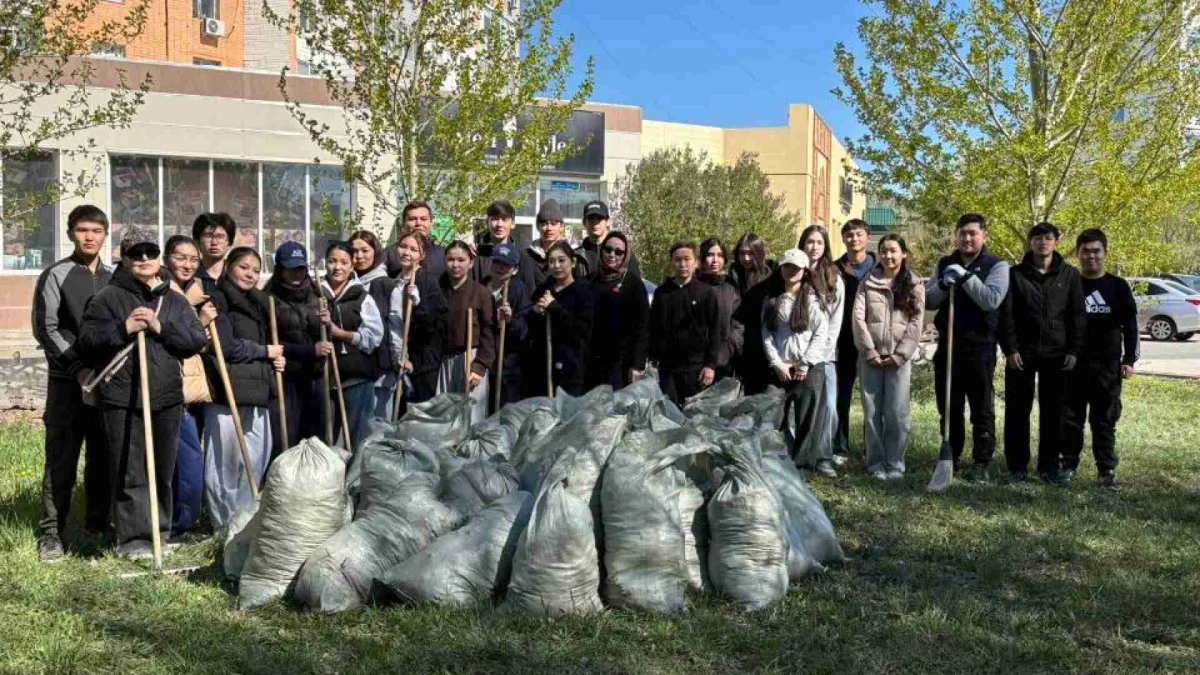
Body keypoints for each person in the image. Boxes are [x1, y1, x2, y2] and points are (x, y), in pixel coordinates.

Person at [77, 238, 208, 559]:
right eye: (136, 255)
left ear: (158, 258)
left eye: (151, 253)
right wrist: (124, 327)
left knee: (162, 470)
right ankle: (133, 540)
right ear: (124, 260)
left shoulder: (174, 301)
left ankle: (159, 533)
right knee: (130, 470)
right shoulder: (107, 297)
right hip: (122, 397)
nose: (145, 259)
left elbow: (195, 339)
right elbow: (88, 341)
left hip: (165, 397)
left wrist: (159, 325)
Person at [33, 204, 114, 562]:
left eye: (96, 231)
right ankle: (51, 533)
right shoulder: (56, 274)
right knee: (61, 459)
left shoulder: (115, 278)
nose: (90, 237)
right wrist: (78, 367)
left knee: (102, 457)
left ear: (105, 235)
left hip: (107, 384)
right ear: (70, 234)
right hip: (68, 383)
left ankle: (96, 528)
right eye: (83, 230)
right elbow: (47, 327)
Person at [924, 213, 1010, 482]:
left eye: (973, 233)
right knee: (949, 405)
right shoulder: (945, 263)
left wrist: (965, 278)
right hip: (949, 345)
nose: (967, 238)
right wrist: (942, 284)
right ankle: (951, 456)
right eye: (962, 233)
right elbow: (928, 300)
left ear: (984, 236)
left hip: (980, 346)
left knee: (981, 406)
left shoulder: (996, 265)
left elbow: (991, 300)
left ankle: (981, 460)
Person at [201, 247, 283, 527]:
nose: (250, 274)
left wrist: (275, 360)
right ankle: (223, 523)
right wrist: (264, 351)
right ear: (228, 268)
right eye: (244, 267)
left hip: (259, 391)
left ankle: (245, 519)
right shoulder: (218, 299)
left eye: (256, 269)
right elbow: (225, 346)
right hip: (228, 391)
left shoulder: (262, 303)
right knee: (225, 462)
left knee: (255, 459)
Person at [999, 222, 1086, 484]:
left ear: (1056, 242)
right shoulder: (1015, 275)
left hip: (1057, 355)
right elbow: (1006, 316)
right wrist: (1010, 349)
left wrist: (1074, 349)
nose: (1042, 242)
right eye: (1037, 238)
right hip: (1021, 355)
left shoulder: (1070, 275)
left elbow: (1077, 315)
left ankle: (1049, 468)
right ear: (1030, 242)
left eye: (1048, 238)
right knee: (1017, 412)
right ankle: (1017, 467)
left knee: (1053, 413)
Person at [1061, 229, 1139, 491]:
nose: (1091, 256)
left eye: (1096, 250)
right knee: (1070, 419)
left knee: (1104, 420)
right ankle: (1068, 466)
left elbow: (1131, 326)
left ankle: (1106, 471)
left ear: (1105, 252)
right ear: (1078, 254)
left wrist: (1129, 359)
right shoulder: (1069, 283)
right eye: (1085, 251)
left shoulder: (1117, 286)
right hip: (1073, 366)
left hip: (1107, 367)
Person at [852, 234, 925, 480]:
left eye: (893, 251)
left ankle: (895, 464)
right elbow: (858, 319)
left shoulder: (914, 284)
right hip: (870, 358)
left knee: (896, 413)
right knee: (872, 413)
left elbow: (916, 323)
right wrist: (869, 351)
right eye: (883, 251)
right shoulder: (867, 282)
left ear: (903, 254)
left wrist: (901, 354)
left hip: (898, 360)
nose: (888, 256)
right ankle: (876, 464)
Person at [162, 236, 217, 540]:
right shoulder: (160, 294)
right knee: (184, 462)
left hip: (196, 389)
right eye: (180, 258)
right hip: (171, 387)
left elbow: (205, 345)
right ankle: (177, 525)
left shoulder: (200, 293)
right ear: (168, 259)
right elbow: (173, 338)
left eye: (193, 260)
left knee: (188, 461)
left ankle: (184, 522)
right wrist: (200, 321)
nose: (187, 264)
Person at [762, 248, 835, 476]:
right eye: (786, 267)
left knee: (807, 420)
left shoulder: (813, 300)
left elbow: (820, 334)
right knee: (773, 416)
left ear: (804, 271)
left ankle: (802, 465)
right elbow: (766, 334)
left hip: (809, 369)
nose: (790, 272)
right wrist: (776, 363)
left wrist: (805, 363)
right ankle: (776, 460)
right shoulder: (772, 300)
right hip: (780, 369)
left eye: (795, 268)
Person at [320, 242, 383, 451]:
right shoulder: (315, 294)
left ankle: (354, 480)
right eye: (332, 261)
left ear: (351, 266)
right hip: (322, 378)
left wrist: (342, 334)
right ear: (325, 263)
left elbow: (374, 337)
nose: (337, 267)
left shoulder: (362, 296)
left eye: (343, 262)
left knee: (357, 439)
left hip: (356, 377)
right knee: (323, 439)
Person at [265, 241, 326, 454]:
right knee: (286, 438)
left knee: (317, 437)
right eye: (290, 269)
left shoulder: (319, 295)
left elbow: (329, 336)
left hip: (316, 376)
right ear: (280, 270)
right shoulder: (269, 299)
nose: (296, 274)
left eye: (300, 268)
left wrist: (330, 326)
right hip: (286, 377)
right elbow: (269, 342)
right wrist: (310, 351)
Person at [649, 241, 722, 405]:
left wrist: (710, 365)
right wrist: (652, 360)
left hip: (697, 369)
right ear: (671, 263)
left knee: (694, 419)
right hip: (667, 369)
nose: (682, 264)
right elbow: (654, 328)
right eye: (677, 259)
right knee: (670, 417)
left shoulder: (707, 292)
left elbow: (715, 331)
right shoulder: (662, 292)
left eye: (687, 259)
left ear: (696, 263)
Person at [799, 226, 845, 474]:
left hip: (825, 355)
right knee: (800, 407)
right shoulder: (794, 271)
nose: (814, 246)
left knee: (828, 405)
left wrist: (824, 351)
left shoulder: (833, 276)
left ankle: (823, 456)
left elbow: (836, 319)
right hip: (797, 354)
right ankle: (800, 455)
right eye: (809, 241)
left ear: (825, 246)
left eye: (818, 242)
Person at [523, 240, 594, 398]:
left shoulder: (582, 291)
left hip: (571, 370)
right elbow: (529, 327)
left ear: (573, 262)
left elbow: (581, 330)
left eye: (561, 260)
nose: (556, 266)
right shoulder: (543, 290)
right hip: (544, 368)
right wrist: (535, 312)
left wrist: (555, 307)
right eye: (552, 261)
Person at [348, 230, 406, 419]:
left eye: (365, 250)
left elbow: (396, 327)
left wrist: (399, 358)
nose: (359, 256)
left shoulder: (388, 285)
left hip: (382, 366)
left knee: (379, 425)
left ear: (376, 251)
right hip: (353, 367)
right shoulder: (346, 285)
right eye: (354, 251)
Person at [436, 241, 497, 421]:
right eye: (451, 260)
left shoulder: (481, 293)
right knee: (446, 414)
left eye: (461, 260)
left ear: (470, 263)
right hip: (445, 359)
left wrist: (480, 366)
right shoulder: (440, 291)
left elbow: (489, 332)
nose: (456, 265)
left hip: (471, 357)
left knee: (471, 416)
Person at [833, 218, 876, 465]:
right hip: (845, 339)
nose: (854, 239)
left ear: (867, 238)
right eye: (849, 235)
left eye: (859, 234)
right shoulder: (836, 268)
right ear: (843, 238)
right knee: (842, 395)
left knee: (872, 396)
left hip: (874, 339)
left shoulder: (881, 266)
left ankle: (872, 447)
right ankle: (840, 446)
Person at [585, 231, 650, 390]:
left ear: (626, 255)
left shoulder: (633, 284)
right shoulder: (590, 281)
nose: (612, 255)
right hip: (592, 363)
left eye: (619, 252)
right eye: (608, 250)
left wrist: (637, 364)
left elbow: (643, 326)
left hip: (622, 365)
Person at [391, 229, 448, 404]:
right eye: (403, 247)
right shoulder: (394, 280)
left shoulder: (427, 281)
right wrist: (400, 356)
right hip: (398, 356)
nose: (407, 253)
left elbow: (436, 323)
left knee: (421, 415)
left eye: (413, 250)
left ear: (422, 255)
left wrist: (417, 304)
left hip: (422, 363)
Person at [484, 243, 532, 409]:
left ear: (515, 269)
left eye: (505, 264)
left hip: (507, 366)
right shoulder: (482, 287)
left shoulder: (519, 291)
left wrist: (510, 320)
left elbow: (525, 330)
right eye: (496, 262)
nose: (499, 267)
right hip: (484, 362)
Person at [698, 237, 744, 379]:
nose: (715, 260)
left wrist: (724, 353)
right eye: (710, 255)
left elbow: (737, 324)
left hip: (725, 362)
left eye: (720, 255)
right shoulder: (694, 285)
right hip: (695, 361)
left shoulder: (731, 287)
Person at [470, 200, 537, 295]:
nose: (499, 224)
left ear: (513, 224)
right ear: (487, 223)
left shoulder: (522, 257)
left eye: (504, 219)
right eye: (495, 219)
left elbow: (529, 295)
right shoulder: (476, 253)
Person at [528, 199, 586, 287]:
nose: (548, 228)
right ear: (538, 227)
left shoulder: (575, 254)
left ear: (562, 227)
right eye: (544, 224)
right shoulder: (528, 256)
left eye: (553, 223)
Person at [576, 200, 641, 279]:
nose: (595, 223)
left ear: (608, 222)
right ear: (584, 223)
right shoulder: (576, 256)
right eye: (591, 218)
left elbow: (636, 284)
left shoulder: (623, 253)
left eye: (599, 218)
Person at [387, 201, 445, 281]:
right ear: (403, 224)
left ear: (431, 224)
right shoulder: (389, 255)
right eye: (412, 219)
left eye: (423, 219)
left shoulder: (443, 254)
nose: (418, 223)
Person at [193, 213, 236, 290]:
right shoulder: (189, 275)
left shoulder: (237, 275)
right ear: (197, 241)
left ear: (229, 243)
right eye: (208, 236)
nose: (214, 242)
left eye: (220, 237)